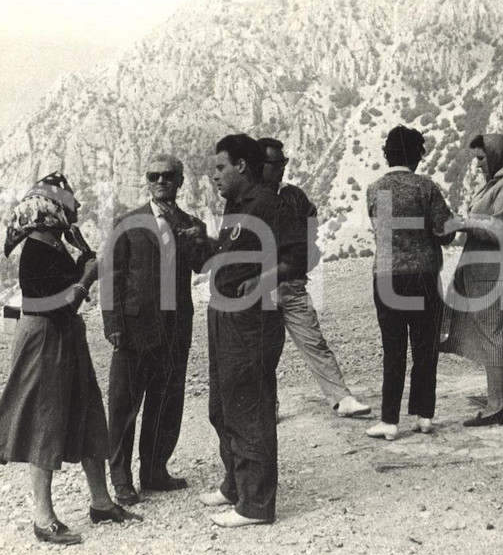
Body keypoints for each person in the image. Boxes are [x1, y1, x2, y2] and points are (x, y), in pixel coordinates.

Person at [0, 173, 141, 546]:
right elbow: (64, 301)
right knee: (45, 421)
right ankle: (43, 517)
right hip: (46, 339)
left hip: (62, 336)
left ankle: (101, 503)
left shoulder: (50, 245)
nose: (76, 210)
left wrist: (82, 250)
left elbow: (79, 272)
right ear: (51, 210)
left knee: (87, 412)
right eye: (69, 205)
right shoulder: (38, 252)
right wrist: (87, 276)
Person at [199, 134, 306, 528]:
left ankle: (256, 504)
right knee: (221, 407)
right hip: (224, 315)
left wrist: (263, 281)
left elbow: (301, 256)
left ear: (242, 166)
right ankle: (235, 485)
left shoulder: (268, 205)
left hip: (251, 320)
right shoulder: (236, 207)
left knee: (248, 406)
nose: (215, 176)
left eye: (221, 167)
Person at [101, 153, 211, 506]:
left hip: (175, 329)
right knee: (123, 406)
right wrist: (113, 324)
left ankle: (154, 471)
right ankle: (121, 479)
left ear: (180, 181)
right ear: (146, 180)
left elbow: (202, 264)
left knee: (167, 401)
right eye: (154, 176)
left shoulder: (190, 222)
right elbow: (111, 277)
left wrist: (201, 240)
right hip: (134, 329)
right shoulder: (128, 223)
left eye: (168, 176)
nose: (161, 181)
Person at [256, 138, 371, 419]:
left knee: (314, 341)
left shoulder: (294, 195)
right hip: (260, 287)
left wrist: (305, 251)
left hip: (293, 284)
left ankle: (341, 398)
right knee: (264, 351)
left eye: (284, 163)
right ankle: (267, 406)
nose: (282, 168)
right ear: (261, 165)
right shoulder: (247, 199)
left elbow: (311, 221)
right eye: (276, 164)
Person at [441, 134, 503, 426]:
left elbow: (500, 228)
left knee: (493, 333)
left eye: (481, 158)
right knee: (491, 330)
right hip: (489, 271)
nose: (477, 165)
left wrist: (462, 223)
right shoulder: (498, 182)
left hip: (500, 272)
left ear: (497, 154)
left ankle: (496, 404)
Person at [364, 126, 454, 440]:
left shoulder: (374, 190)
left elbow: (379, 231)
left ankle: (389, 421)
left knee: (393, 349)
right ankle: (424, 415)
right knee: (425, 347)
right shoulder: (426, 187)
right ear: (418, 155)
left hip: (388, 277)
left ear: (387, 154)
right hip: (424, 276)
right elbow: (446, 232)